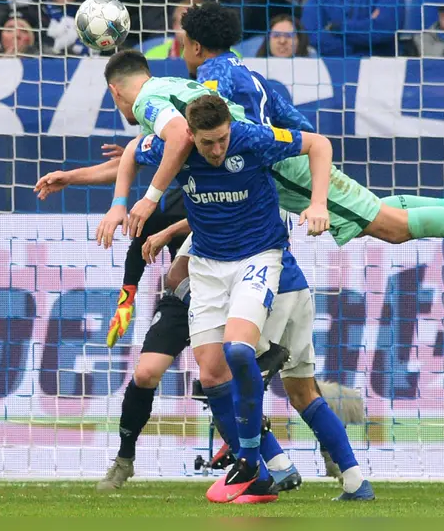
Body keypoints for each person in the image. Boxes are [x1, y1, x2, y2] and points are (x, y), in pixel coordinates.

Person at [102, 47, 444, 278]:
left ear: (116, 91)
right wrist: (106, 193)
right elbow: (142, 152)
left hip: (285, 171)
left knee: (389, 226)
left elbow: (179, 138)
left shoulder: (152, 105)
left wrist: (148, 200)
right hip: (280, 170)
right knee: (373, 208)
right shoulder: (170, 87)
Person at [109, 94, 335, 503]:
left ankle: (250, 455)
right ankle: (270, 470)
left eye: (221, 140)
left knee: (238, 350)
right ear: (189, 137)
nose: (216, 150)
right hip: (207, 266)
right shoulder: (170, 147)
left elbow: (319, 144)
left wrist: (318, 202)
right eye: (206, 143)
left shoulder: (252, 138)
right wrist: (120, 204)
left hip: (257, 256)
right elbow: (129, 151)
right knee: (211, 374)